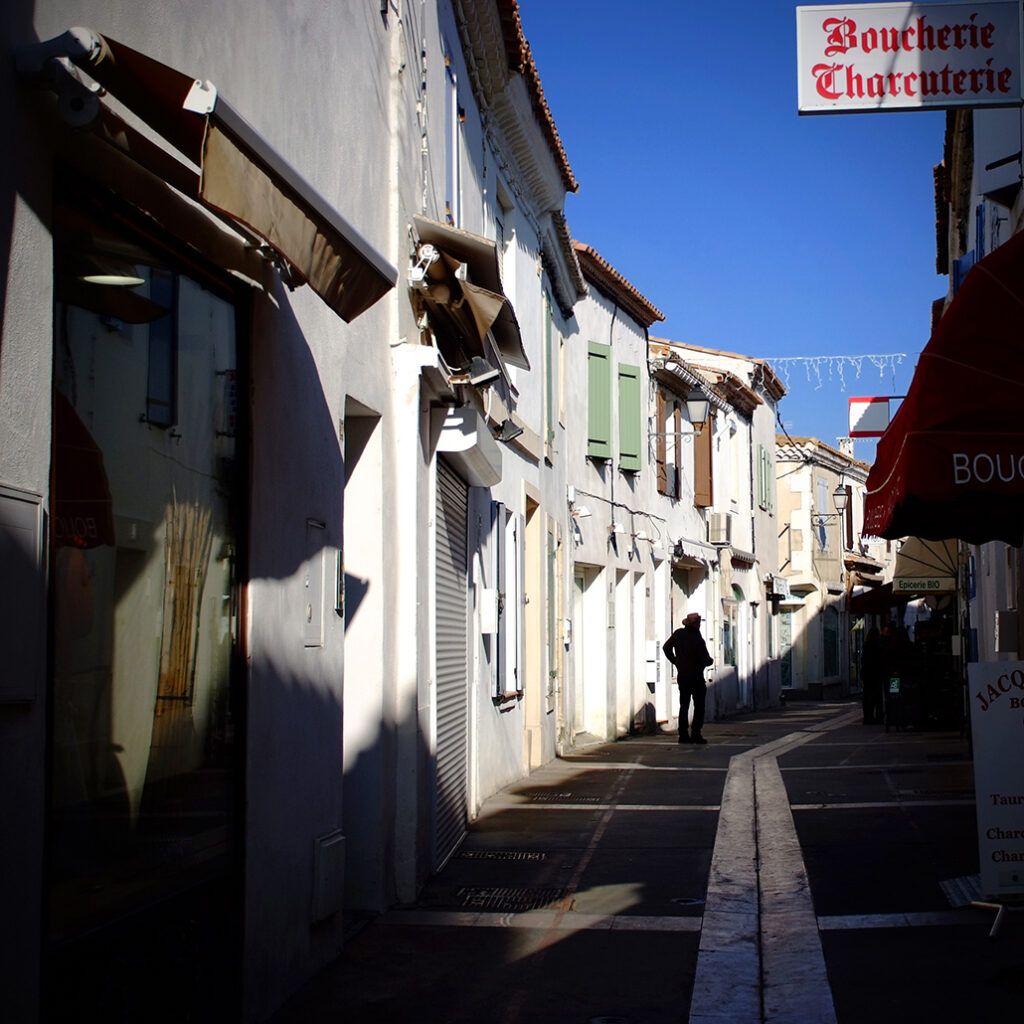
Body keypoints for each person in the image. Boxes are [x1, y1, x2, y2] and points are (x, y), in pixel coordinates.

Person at [663, 612, 714, 744]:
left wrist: (675, 661)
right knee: (699, 706)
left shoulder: (678, 634)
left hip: (683, 675)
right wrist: (709, 661)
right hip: (696, 676)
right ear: (696, 624)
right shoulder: (697, 637)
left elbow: (666, 647)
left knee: (684, 705)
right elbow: (705, 658)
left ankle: (683, 734)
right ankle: (696, 733)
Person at [860, 626, 884, 725]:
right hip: (877, 675)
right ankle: (878, 716)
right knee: (877, 696)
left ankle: (867, 716)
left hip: (867, 675)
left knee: (867, 696)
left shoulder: (866, 646)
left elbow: (863, 661)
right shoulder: (879, 646)